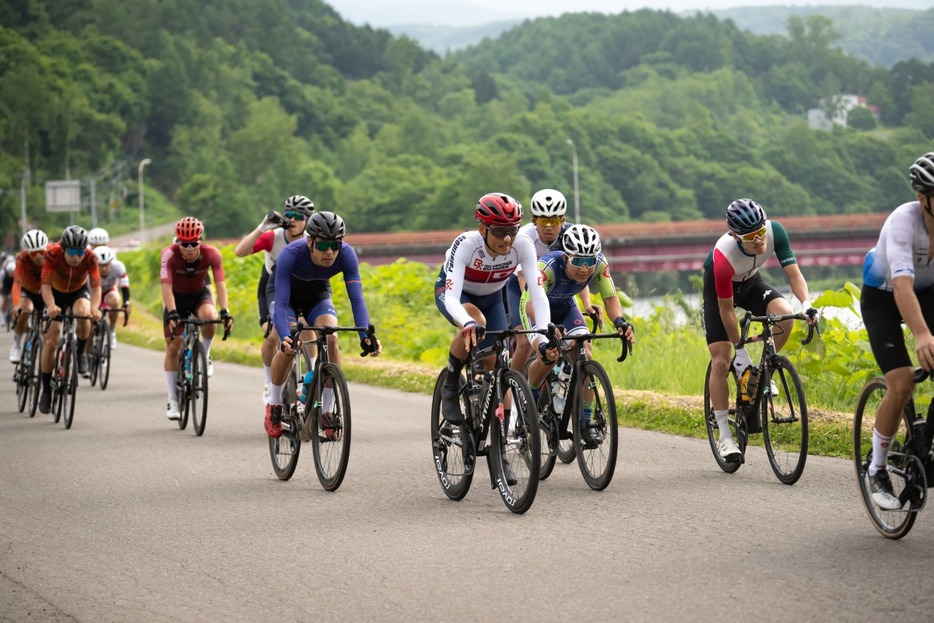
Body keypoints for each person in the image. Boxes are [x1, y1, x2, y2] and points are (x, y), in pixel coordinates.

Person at [703, 198, 819, 462]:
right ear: (734, 235)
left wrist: (807, 304)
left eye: (761, 231)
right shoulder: (723, 257)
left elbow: (793, 274)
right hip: (721, 291)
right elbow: (726, 309)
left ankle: (765, 371)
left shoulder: (775, 230)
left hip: (752, 282)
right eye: (750, 236)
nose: (759, 240)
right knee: (721, 361)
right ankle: (724, 436)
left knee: (784, 313)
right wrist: (740, 350)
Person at [435, 192, 553, 424]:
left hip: (492, 298)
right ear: (482, 229)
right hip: (458, 294)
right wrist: (467, 323)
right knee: (476, 323)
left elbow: (537, 296)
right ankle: (450, 383)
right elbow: (451, 297)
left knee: (497, 363)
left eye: (513, 231)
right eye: (500, 232)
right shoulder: (466, 244)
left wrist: (544, 332)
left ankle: (502, 429)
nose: (508, 239)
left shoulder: (523, 245)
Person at [263, 210, 381, 438]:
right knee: (288, 346)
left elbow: (357, 298)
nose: (329, 252)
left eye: (335, 245)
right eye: (324, 244)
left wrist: (365, 335)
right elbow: (282, 303)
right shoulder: (291, 254)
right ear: (310, 242)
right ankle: (274, 402)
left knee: (331, 336)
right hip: (284, 296)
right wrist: (286, 335)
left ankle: (327, 409)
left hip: (316, 293)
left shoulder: (346, 255)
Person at [859, 152, 934, 510]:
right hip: (883, 297)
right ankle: (876, 469)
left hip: (928, 292)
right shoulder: (904, 222)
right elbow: (903, 286)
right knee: (902, 382)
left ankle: (925, 441)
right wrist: (921, 334)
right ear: (925, 200)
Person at [524, 224, 635, 445]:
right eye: (578, 261)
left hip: (566, 306)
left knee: (585, 351)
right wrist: (547, 328)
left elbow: (610, 298)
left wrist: (620, 322)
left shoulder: (599, 264)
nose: (585, 268)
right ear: (566, 257)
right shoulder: (547, 266)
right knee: (548, 355)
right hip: (535, 308)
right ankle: (531, 398)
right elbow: (530, 304)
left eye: (589, 261)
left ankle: (585, 421)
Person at [505, 189, 595, 376]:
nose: (548, 226)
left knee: (578, 343)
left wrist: (587, 304)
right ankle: (510, 392)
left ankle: (567, 382)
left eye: (553, 221)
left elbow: (580, 274)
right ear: (533, 221)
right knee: (524, 343)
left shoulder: (572, 235)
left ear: (562, 221)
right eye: (542, 220)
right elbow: (524, 281)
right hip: (523, 288)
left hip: (556, 288)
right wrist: (538, 316)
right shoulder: (524, 237)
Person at [234, 195, 315, 403]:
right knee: (272, 336)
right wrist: (263, 226)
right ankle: (269, 382)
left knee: (307, 329)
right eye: (289, 215)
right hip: (271, 287)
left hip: (299, 287)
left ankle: (312, 374)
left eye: (299, 216)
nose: (293, 220)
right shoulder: (274, 236)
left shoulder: (311, 239)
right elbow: (240, 251)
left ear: (307, 220)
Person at [160, 217, 233, 420]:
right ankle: (173, 400)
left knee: (210, 316)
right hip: (175, 299)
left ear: (201, 241)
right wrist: (173, 312)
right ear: (178, 242)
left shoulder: (212, 254)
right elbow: (165, 287)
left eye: (194, 243)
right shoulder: (169, 254)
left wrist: (225, 310)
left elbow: (220, 284)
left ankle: (205, 354)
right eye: (185, 244)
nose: (190, 249)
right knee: (173, 347)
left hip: (199, 296)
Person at [38, 226, 102, 413]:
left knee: (83, 313)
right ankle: (46, 390)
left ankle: (80, 352)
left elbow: (96, 287)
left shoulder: (90, 258)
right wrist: (50, 305)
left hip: (77, 291)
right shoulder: (52, 254)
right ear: (64, 249)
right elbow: (45, 285)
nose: (76, 256)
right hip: (54, 293)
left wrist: (95, 308)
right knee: (51, 340)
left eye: (80, 252)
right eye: (72, 252)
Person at [9, 229, 48, 363]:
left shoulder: (52, 255)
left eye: (41, 252)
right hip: (29, 291)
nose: (37, 256)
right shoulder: (22, 258)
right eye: (33, 253)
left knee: (48, 328)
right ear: (27, 252)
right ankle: (17, 343)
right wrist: (16, 304)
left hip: (45, 293)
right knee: (26, 310)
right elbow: (17, 283)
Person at [92, 246, 131, 348]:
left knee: (114, 301)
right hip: (92, 293)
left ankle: (112, 330)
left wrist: (126, 303)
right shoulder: (89, 269)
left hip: (108, 292)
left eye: (106, 264)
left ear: (111, 262)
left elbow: (124, 286)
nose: (104, 268)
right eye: (101, 265)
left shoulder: (118, 267)